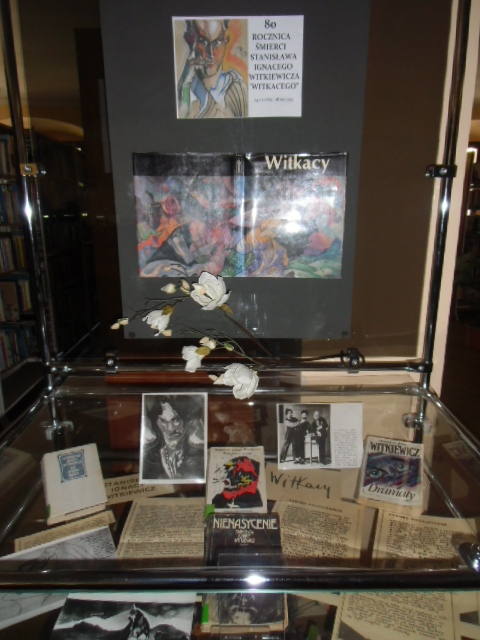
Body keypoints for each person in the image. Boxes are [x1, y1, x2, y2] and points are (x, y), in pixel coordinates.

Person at [177, 19, 247, 119]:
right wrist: (184, 86)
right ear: (191, 41)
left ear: (225, 41)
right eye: (203, 42)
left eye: (217, 42)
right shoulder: (184, 88)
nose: (211, 53)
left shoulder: (235, 86)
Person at [142, 396, 205, 481]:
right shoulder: (151, 450)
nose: (170, 429)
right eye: (162, 421)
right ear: (155, 421)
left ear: (186, 420)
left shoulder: (197, 447)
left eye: (176, 420)